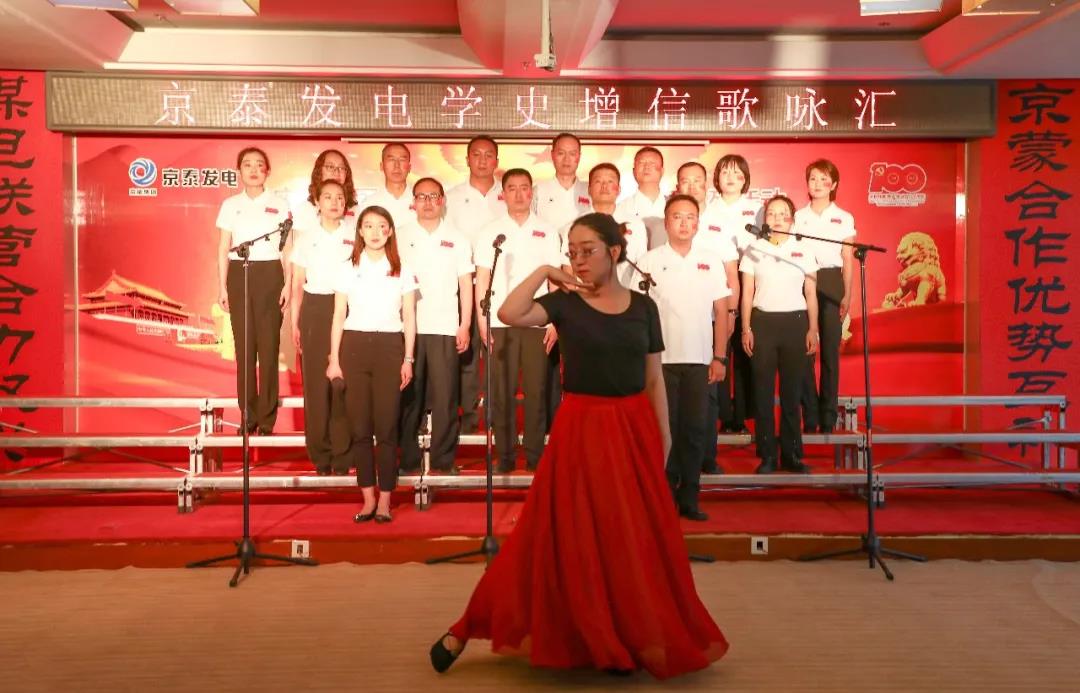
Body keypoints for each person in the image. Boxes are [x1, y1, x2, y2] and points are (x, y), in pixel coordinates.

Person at [429, 212, 729, 679]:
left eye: (588, 250)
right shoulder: (565, 303)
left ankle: (623, 636)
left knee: (628, 537)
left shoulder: (643, 308)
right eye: (572, 252)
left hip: (632, 427)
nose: (579, 259)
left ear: (615, 251)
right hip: (580, 427)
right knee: (551, 536)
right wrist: (547, 271)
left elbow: (653, 378)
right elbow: (509, 313)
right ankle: (469, 626)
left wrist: (664, 435)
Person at [633, 195, 730, 521]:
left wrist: (720, 357)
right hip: (659, 362)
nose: (684, 223)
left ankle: (689, 496)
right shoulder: (648, 261)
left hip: (700, 360)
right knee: (664, 431)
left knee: (694, 430)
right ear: (666, 222)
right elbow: (637, 311)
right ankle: (662, 497)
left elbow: (721, 311)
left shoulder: (710, 260)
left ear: (698, 223)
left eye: (690, 217)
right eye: (677, 217)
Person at [326, 206, 418, 523]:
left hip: (390, 348)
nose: (375, 232)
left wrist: (408, 358)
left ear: (390, 231)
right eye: (368, 226)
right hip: (354, 347)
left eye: (381, 226)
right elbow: (338, 316)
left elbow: (410, 317)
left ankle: (385, 501)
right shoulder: (346, 268)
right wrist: (334, 359)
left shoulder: (402, 269)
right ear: (360, 231)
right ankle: (367, 499)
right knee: (360, 429)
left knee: (387, 428)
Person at [474, 168, 562, 472]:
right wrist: (482, 322)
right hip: (500, 322)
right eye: (512, 188)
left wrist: (555, 321)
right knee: (502, 393)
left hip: (538, 321)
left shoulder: (547, 230)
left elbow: (554, 280)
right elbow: (482, 278)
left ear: (532, 192)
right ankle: (506, 455)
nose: (519, 194)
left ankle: (535, 456)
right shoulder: (490, 232)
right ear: (503, 194)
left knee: (537, 391)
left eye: (525, 188)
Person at [397, 178, 474, 474]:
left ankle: (444, 460)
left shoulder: (457, 237)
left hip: (445, 326)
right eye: (421, 196)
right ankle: (408, 460)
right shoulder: (400, 235)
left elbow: (465, 284)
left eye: (433, 196)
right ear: (413, 202)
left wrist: (465, 324)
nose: (427, 202)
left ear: (442, 200)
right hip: (408, 328)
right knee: (409, 396)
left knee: (445, 397)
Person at [740, 195, 819, 474]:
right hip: (763, 323)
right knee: (763, 393)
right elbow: (747, 293)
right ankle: (767, 456)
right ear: (764, 220)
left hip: (795, 322)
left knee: (791, 393)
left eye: (783, 212)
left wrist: (813, 328)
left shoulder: (803, 249)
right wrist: (746, 328)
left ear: (792, 219)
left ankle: (792, 454)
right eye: (771, 213)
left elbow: (811, 293)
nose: (776, 218)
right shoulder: (754, 248)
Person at [216, 146, 291, 435]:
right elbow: (223, 248)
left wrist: (287, 283)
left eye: (260, 165)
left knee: (269, 347)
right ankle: (248, 414)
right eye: (247, 165)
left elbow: (287, 248)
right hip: (240, 273)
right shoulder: (230, 205)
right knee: (245, 348)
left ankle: (267, 418)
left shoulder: (280, 204)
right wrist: (222, 286)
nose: (254, 170)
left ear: (267, 171)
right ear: (239, 171)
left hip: (270, 273)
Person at [678, 160, 741, 474]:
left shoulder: (719, 223)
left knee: (710, 391)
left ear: (707, 184)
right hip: (677, 321)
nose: (691, 187)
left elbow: (732, 275)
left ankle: (707, 457)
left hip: (714, 319)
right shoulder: (669, 220)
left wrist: (731, 314)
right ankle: (676, 459)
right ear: (677, 186)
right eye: (685, 181)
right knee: (677, 393)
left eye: (697, 181)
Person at [289, 179, 355, 475]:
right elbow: (297, 284)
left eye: (339, 197)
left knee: (343, 383)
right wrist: (295, 322)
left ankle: (344, 454)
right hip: (315, 309)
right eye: (327, 197)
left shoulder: (356, 233)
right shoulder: (306, 238)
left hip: (348, 309)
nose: (334, 202)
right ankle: (321, 455)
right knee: (316, 385)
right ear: (317, 202)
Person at [445, 135, 505, 433]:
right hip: (463, 283)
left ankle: (496, 415)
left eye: (489, 155)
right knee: (466, 352)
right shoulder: (451, 196)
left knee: (497, 350)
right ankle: (468, 415)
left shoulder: (508, 193)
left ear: (497, 160)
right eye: (477, 154)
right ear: (467, 159)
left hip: (503, 284)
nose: (483, 160)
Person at [795, 159, 855, 434]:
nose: (817, 184)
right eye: (813, 179)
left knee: (830, 352)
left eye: (823, 179)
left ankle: (828, 416)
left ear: (834, 184)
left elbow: (847, 258)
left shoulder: (844, 217)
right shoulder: (798, 217)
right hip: (802, 280)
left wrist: (847, 294)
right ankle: (810, 415)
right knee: (804, 352)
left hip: (832, 281)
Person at [704, 155, 761, 439]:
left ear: (745, 179)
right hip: (719, 279)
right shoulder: (707, 209)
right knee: (720, 348)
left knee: (744, 349)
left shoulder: (757, 209)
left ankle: (742, 415)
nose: (730, 178)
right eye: (725, 172)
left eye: (737, 174)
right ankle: (723, 415)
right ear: (716, 178)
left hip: (750, 278)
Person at [569, 162, 647, 288]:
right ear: (589, 189)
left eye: (610, 182)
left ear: (619, 189)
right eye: (598, 181)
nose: (604, 186)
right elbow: (568, 271)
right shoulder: (575, 225)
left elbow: (642, 266)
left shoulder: (635, 224)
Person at [291, 148, 358, 241]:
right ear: (319, 172)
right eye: (330, 167)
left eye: (341, 168)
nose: (337, 172)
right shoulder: (304, 211)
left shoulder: (357, 211)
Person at [615, 146, 668, 249]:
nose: (647, 167)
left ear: (662, 171)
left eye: (652, 163)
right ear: (634, 171)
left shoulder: (676, 206)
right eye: (641, 163)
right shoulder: (620, 209)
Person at [363, 143, 414, 229]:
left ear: (409, 167)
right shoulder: (368, 203)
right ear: (382, 166)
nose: (397, 166)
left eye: (402, 160)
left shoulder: (421, 201)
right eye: (391, 160)